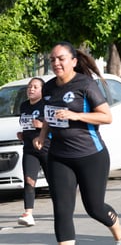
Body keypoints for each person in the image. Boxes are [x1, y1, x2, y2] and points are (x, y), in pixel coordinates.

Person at [33, 41, 121, 245]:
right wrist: (42, 136)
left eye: (61, 58)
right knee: (61, 209)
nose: (56, 63)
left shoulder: (85, 84)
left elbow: (106, 117)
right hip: (59, 156)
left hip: (91, 155)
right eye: (53, 59)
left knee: (94, 208)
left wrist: (76, 115)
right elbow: (49, 116)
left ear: (74, 61)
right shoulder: (49, 87)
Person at [16, 77, 50, 226]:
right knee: (29, 181)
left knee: (54, 182)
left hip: (47, 148)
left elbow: (55, 125)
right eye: (30, 86)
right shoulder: (24, 106)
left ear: (42, 90)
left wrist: (41, 124)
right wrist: (22, 134)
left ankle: (62, 209)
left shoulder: (46, 105)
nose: (31, 89)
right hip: (29, 149)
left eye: (35, 87)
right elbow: (26, 124)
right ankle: (28, 213)